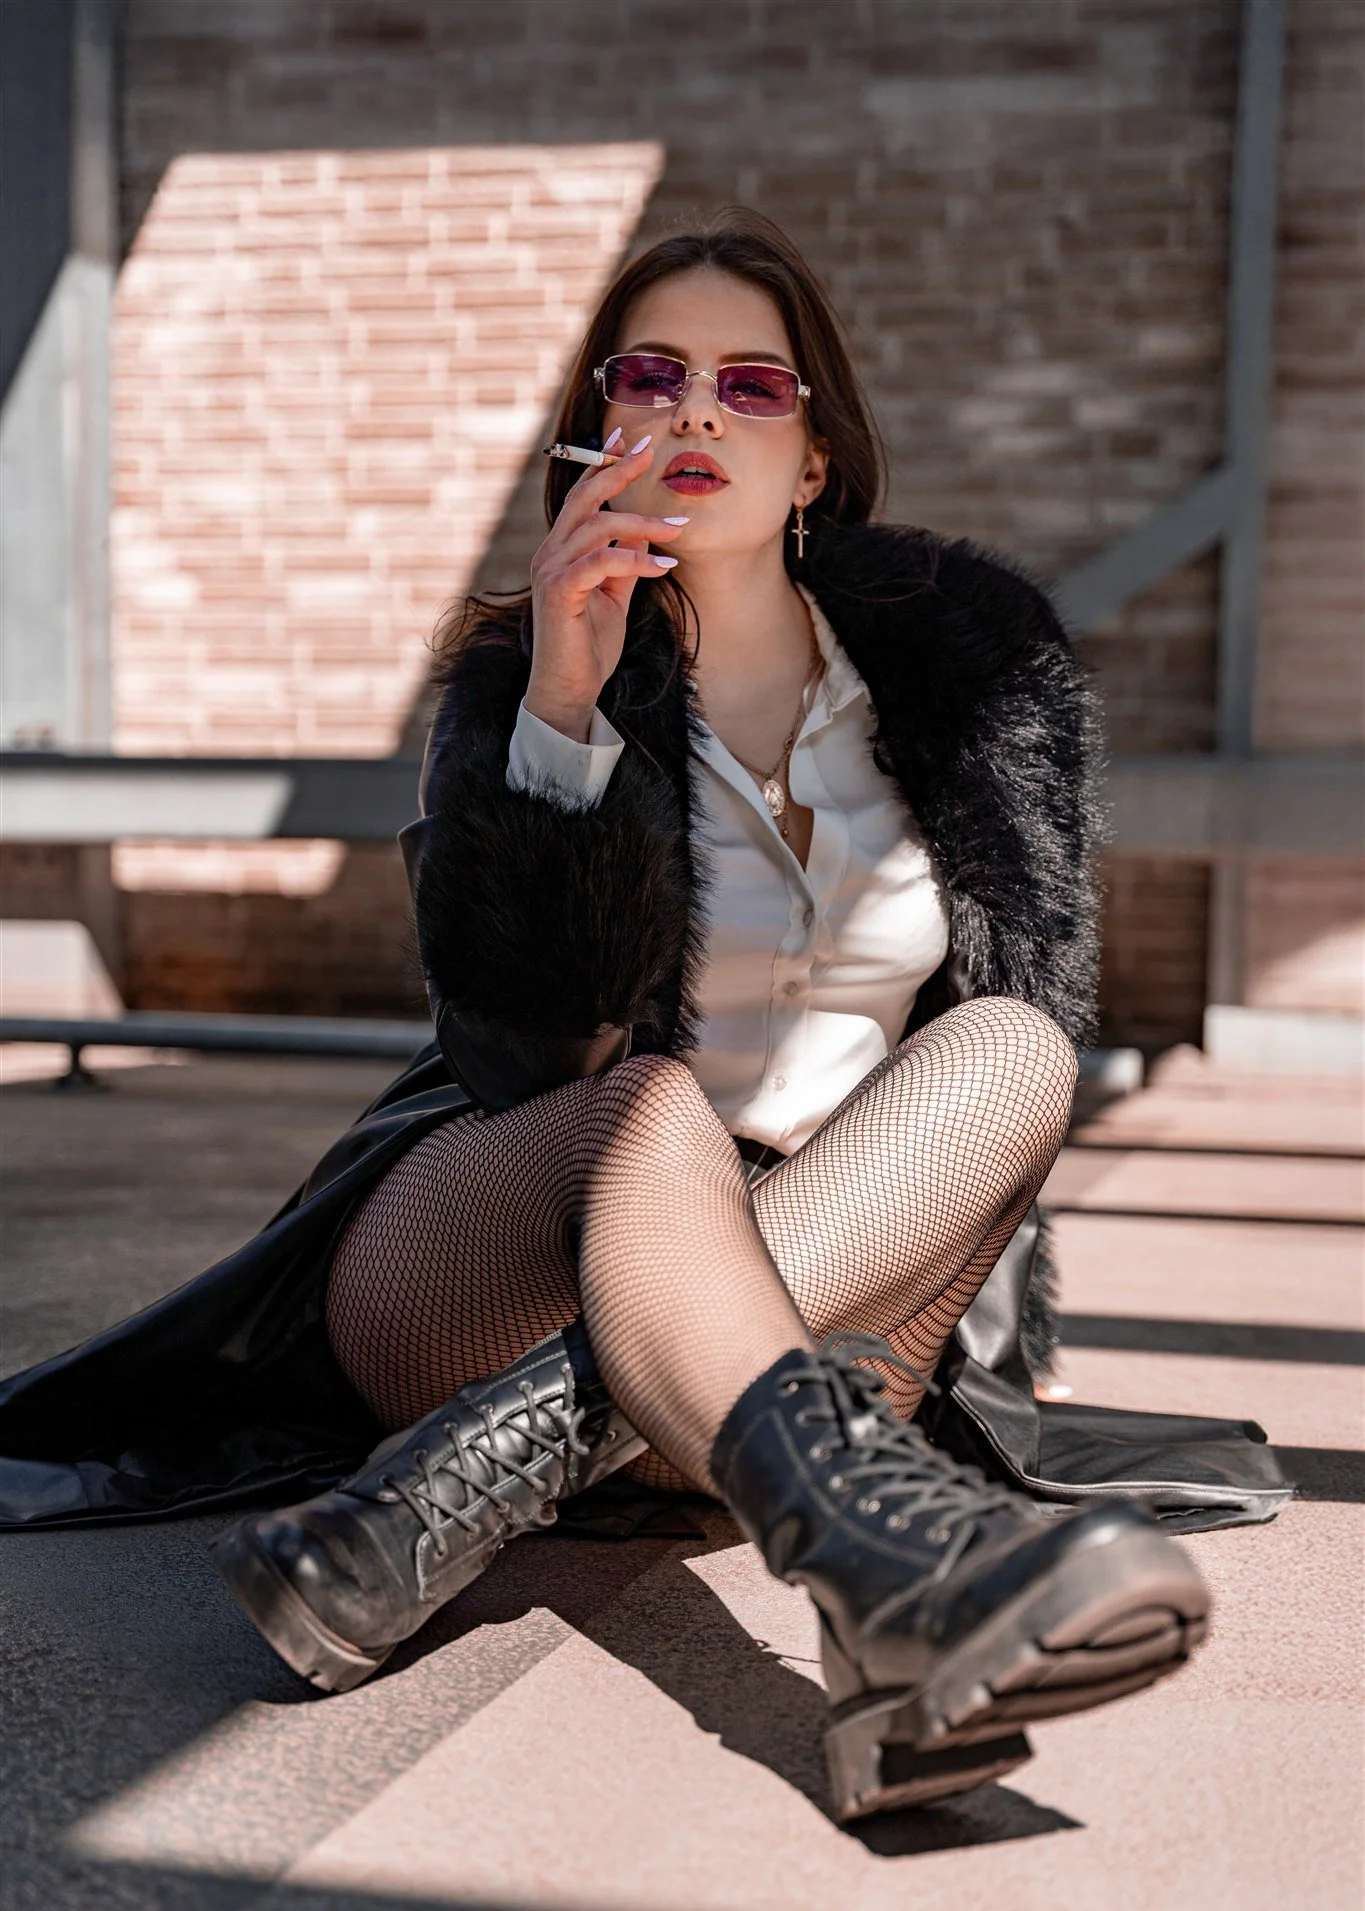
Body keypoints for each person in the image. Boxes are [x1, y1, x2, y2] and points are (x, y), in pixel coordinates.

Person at [0, 211, 1290, 1824]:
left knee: (1017, 1049)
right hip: (488, 1265)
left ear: (815, 459)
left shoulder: (975, 679)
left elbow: (998, 1087)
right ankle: (873, 1590)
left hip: (830, 1299)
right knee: (654, 1107)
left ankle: (501, 1481)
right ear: (599, 424)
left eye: (752, 384)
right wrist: (562, 708)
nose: (694, 413)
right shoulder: (521, 677)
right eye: (652, 375)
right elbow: (517, 1063)